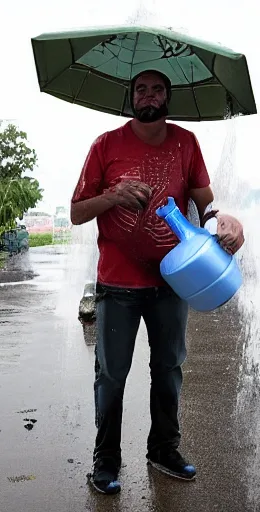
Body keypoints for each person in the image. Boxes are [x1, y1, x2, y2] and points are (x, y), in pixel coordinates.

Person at [70, 69, 245, 495]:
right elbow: (76, 212)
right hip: (117, 283)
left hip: (173, 283)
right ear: (131, 97)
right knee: (112, 375)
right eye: (141, 89)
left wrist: (223, 221)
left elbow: (204, 206)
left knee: (168, 369)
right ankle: (106, 458)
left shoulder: (186, 143)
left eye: (158, 89)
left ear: (169, 97)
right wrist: (113, 195)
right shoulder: (105, 145)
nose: (149, 95)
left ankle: (164, 449)